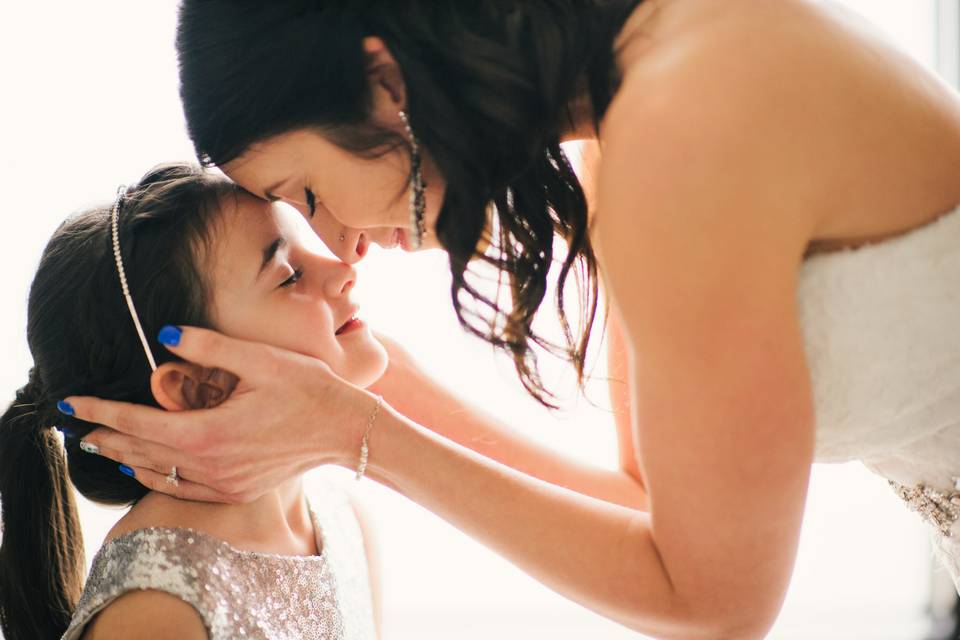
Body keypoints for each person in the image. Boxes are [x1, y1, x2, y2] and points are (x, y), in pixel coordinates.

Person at [62, 1, 960, 636]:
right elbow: (653, 514)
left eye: (304, 193)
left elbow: (717, 604)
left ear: (384, 79)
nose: (337, 241)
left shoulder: (683, 132)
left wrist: (357, 433)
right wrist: (384, 391)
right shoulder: (628, 114)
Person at [0, 164, 380, 639]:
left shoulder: (343, 523)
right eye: (288, 276)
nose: (344, 270)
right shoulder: (159, 608)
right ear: (194, 387)